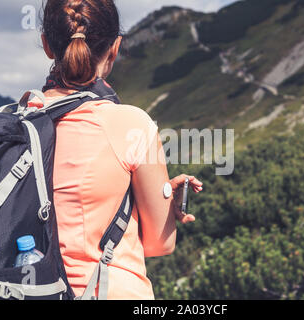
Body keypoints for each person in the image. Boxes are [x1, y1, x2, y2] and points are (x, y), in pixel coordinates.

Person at [28, 0, 204, 299]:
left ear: (46, 44)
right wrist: (161, 206)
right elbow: (160, 245)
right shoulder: (131, 124)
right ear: (115, 47)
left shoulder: (14, 124)